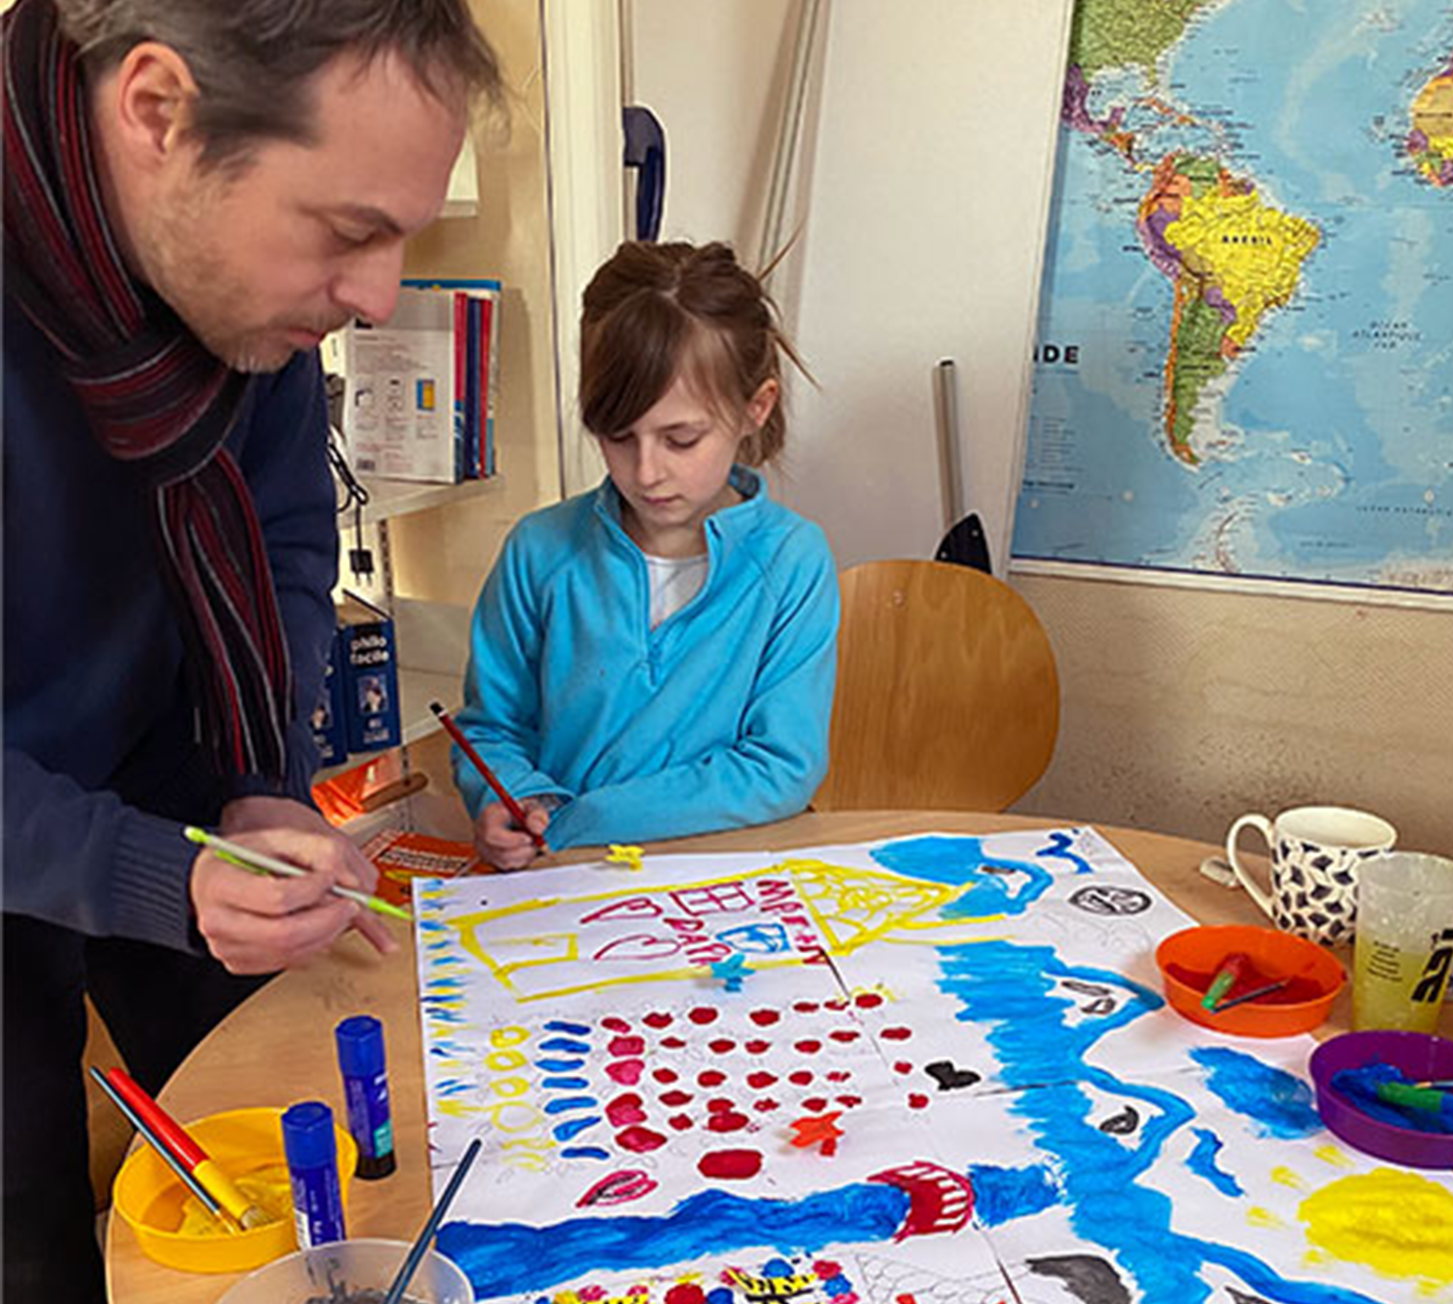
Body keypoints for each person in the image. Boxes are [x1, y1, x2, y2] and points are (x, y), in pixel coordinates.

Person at [1, 1, 501, 1298]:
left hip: (171, 760)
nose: (377, 297)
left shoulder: (236, 291)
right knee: (28, 1225)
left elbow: (283, 540)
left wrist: (264, 780)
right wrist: (145, 873)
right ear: (158, 113)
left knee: (278, 1159)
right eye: (348, 233)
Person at [455, 240, 839, 867]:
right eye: (618, 436)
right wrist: (506, 799)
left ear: (755, 408)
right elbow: (491, 729)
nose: (647, 471)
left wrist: (582, 817)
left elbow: (780, 766)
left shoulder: (793, 563)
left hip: (726, 878)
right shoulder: (539, 551)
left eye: (681, 439)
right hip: (558, 880)